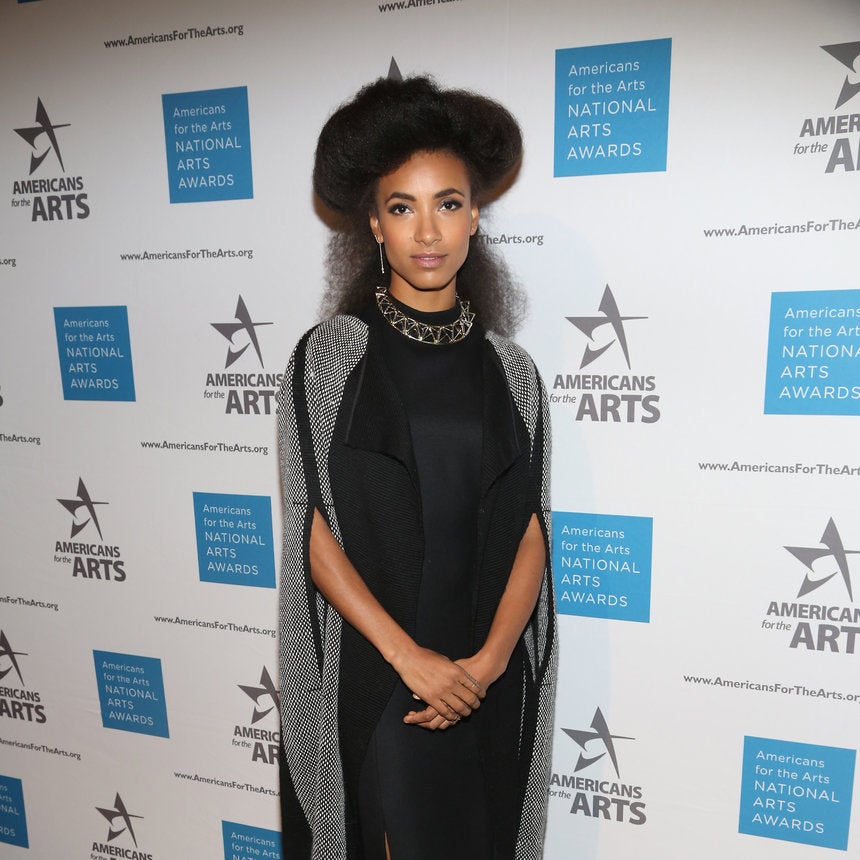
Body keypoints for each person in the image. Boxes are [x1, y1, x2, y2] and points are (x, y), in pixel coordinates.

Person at [277, 73, 557, 860]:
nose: (427, 231)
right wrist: (412, 662)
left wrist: (488, 667)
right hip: (380, 682)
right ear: (374, 223)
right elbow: (311, 530)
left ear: (475, 217)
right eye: (402, 207)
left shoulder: (514, 372)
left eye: (448, 203)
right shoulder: (328, 359)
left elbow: (532, 529)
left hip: (486, 682)